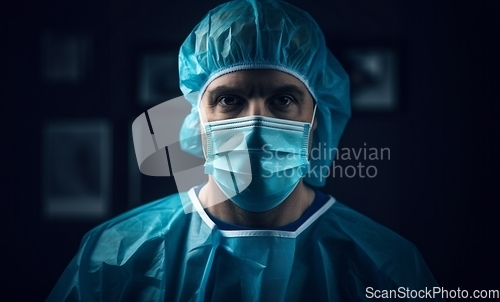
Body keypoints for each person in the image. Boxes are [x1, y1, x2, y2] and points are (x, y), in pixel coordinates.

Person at [48, 0, 443, 301]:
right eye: (230, 100)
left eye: (283, 100)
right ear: (196, 116)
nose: (256, 128)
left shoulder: (386, 265)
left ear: (316, 116)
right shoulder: (116, 254)